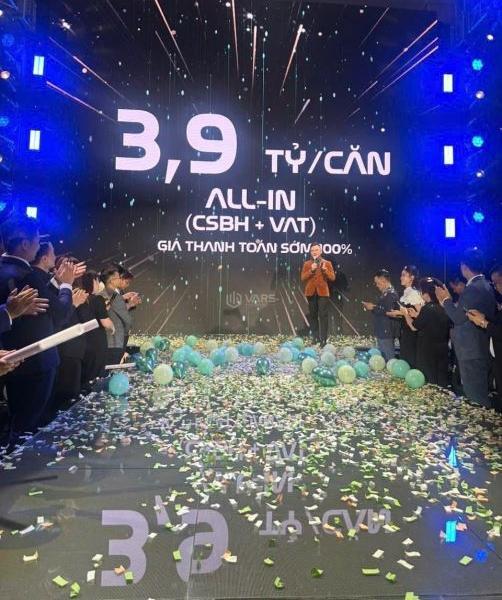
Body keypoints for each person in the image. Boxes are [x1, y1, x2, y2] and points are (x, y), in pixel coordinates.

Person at [0, 216, 77, 443]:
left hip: (10, 360)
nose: (38, 245)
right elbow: (60, 313)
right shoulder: (27, 274)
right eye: (36, 240)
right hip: (36, 363)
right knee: (27, 428)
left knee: (17, 421)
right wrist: (66, 284)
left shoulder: (7, 271)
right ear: (25, 244)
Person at [436, 248, 496, 407]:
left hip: (471, 350)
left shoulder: (473, 288)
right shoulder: (485, 285)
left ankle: (481, 422)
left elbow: (457, 317)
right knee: (478, 393)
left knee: (475, 397)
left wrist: (445, 300)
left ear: (464, 266)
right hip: (479, 347)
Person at [400, 277, 451, 386]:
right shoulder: (443, 307)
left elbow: (414, 327)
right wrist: (417, 315)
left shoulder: (427, 308)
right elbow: (432, 321)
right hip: (442, 349)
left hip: (428, 351)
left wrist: (405, 314)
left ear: (426, 294)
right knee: (441, 381)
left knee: (429, 380)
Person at [466, 265, 502, 411]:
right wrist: (483, 318)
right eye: (494, 283)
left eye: (498, 282)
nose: (496, 287)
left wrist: (483, 322)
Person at [78, 271, 115, 389]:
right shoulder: (97, 299)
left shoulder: (79, 299)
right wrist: (112, 327)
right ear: (93, 281)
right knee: (96, 375)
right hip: (96, 343)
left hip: (83, 342)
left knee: (85, 374)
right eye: (98, 281)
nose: (99, 284)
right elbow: (105, 322)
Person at [300, 243, 336, 347]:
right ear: (310, 252)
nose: (314, 252)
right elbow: (303, 278)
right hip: (311, 292)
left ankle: (323, 340)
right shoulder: (307, 264)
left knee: (323, 315)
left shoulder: (327, 263)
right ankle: (315, 338)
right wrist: (311, 270)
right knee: (313, 315)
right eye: (312, 250)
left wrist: (325, 270)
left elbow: (332, 278)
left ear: (320, 251)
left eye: (316, 250)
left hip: (323, 293)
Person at [388, 265, 423, 367]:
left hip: (412, 332)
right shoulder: (407, 293)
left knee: (410, 359)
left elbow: (421, 314)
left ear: (412, 277)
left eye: (404, 275)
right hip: (405, 331)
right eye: (401, 275)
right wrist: (398, 313)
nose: (401, 278)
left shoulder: (414, 293)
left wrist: (402, 313)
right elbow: (408, 311)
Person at [362, 269, 400, 361]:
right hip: (383, 330)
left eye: (378, 283)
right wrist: (374, 307)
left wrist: (373, 308)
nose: (377, 285)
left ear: (383, 279)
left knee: (388, 359)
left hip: (386, 331)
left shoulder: (391, 294)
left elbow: (389, 311)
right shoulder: (386, 293)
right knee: (385, 357)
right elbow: (384, 308)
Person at [100, 265, 133, 365]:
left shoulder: (101, 294)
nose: (120, 279)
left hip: (105, 340)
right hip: (114, 341)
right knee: (112, 368)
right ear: (111, 280)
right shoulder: (115, 296)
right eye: (118, 277)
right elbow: (127, 320)